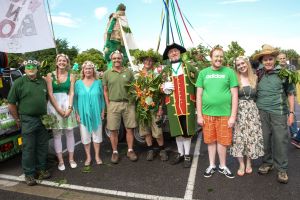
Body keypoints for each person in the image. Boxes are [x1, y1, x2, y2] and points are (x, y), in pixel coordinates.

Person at [254, 44, 295, 184]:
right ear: (261, 61)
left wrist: (291, 112)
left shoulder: (284, 73)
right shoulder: (258, 73)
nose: (268, 62)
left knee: (280, 141)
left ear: (275, 59)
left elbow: (290, 94)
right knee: (264, 139)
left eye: (270, 59)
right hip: (262, 112)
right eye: (265, 59)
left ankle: (282, 169)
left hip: (279, 112)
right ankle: (267, 162)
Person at [196, 47, 238, 178]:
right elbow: (199, 95)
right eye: (216, 56)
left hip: (225, 114)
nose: (219, 59)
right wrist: (199, 115)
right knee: (210, 141)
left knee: (223, 141)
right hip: (207, 114)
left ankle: (223, 166)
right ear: (211, 57)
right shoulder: (203, 73)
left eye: (221, 56)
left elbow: (234, 95)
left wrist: (233, 116)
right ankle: (212, 165)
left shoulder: (229, 72)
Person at [7, 59, 50, 186]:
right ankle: (29, 174)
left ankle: (41, 169)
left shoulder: (42, 81)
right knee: (29, 148)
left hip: (42, 118)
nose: (31, 68)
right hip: (28, 119)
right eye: (28, 66)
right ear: (25, 69)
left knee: (42, 145)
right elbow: (11, 103)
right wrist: (17, 119)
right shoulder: (19, 82)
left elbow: (46, 98)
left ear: (37, 68)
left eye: (34, 66)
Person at [161, 43, 198, 168]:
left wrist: (198, 105)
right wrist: (163, 88)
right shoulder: (165, 71)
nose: (173, 53)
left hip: (187, 105)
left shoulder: (189, 67)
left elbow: (199, 85)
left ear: (180, 52)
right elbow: (159, 88)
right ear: (168, 55)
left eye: (175, 51)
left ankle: (187, 154)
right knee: (177, 131)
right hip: (173, 106)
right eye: (171, 52)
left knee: (187, 131)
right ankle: (180, 153)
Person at [230, 56, 264, 176]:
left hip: (252, 111)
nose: (241, 66)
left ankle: (249, 162)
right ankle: (241, 164)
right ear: (236, 67)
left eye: (243, 63)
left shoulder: (255, 77)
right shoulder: (234, 78)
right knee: (239, 137)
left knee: (251, 137)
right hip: (239, 111)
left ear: (247, 64)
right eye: (238, 65)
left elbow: (259, 96)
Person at [102, 50, 138, 164]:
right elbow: (105, 91)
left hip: (128, 104)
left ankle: (130, 150)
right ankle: (115, 152)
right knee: (113, 130)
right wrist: (108, 105)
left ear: (122, 59)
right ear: (111, 60)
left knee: (129, 128)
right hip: (113, 104)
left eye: (118, 58)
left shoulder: (128, 72)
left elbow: (134, 88)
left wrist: (133, 101)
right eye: (114, 58)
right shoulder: (107, 73)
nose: (116, 60)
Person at [46, 54, 78, 171]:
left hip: (67, 104)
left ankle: (71, 159)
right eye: (60, 60)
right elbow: (50, 93)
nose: (62, 62)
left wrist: (69, 108)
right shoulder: (50, 75)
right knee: (57, 135)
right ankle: (60, 161)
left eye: (64, 61)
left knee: (70, 133)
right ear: (56, 62)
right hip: (54, 106)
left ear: (67, 63)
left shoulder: (72, 76)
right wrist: (58, 109)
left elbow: (72, 93)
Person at [74, 61, 105, 166]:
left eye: (90, 68)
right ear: (83, 70)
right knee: (85, 137)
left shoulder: (98, 82)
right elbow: (75, 99)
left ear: (93, 70)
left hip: (96, 112)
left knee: (97, 136)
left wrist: (102, 110)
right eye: (86, 68)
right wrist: (77, 114)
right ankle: (88, 157)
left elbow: (102, 98)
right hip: (83, 113)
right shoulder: (78, 83)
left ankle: (97, 155)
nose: (88, 70)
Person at [138, 56, 168, 161]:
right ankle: (150, 150)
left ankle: (162, 150)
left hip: (154, 108)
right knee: (146, 131)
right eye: (146, 60)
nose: (148, 62)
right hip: (142, 108)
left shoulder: (157, 76)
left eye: (150, 60)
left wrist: (160, 107)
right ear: (143, 62)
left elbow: (161, 94)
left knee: (158, 131)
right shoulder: (138, 75)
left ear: (153, 63)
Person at [103, 3, 137, 69]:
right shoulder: (109, 32)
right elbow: (109, 32)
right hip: (110, 57)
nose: (117, 23)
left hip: (122, 64)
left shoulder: (123, 35)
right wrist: (114, 19)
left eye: (118, 21)